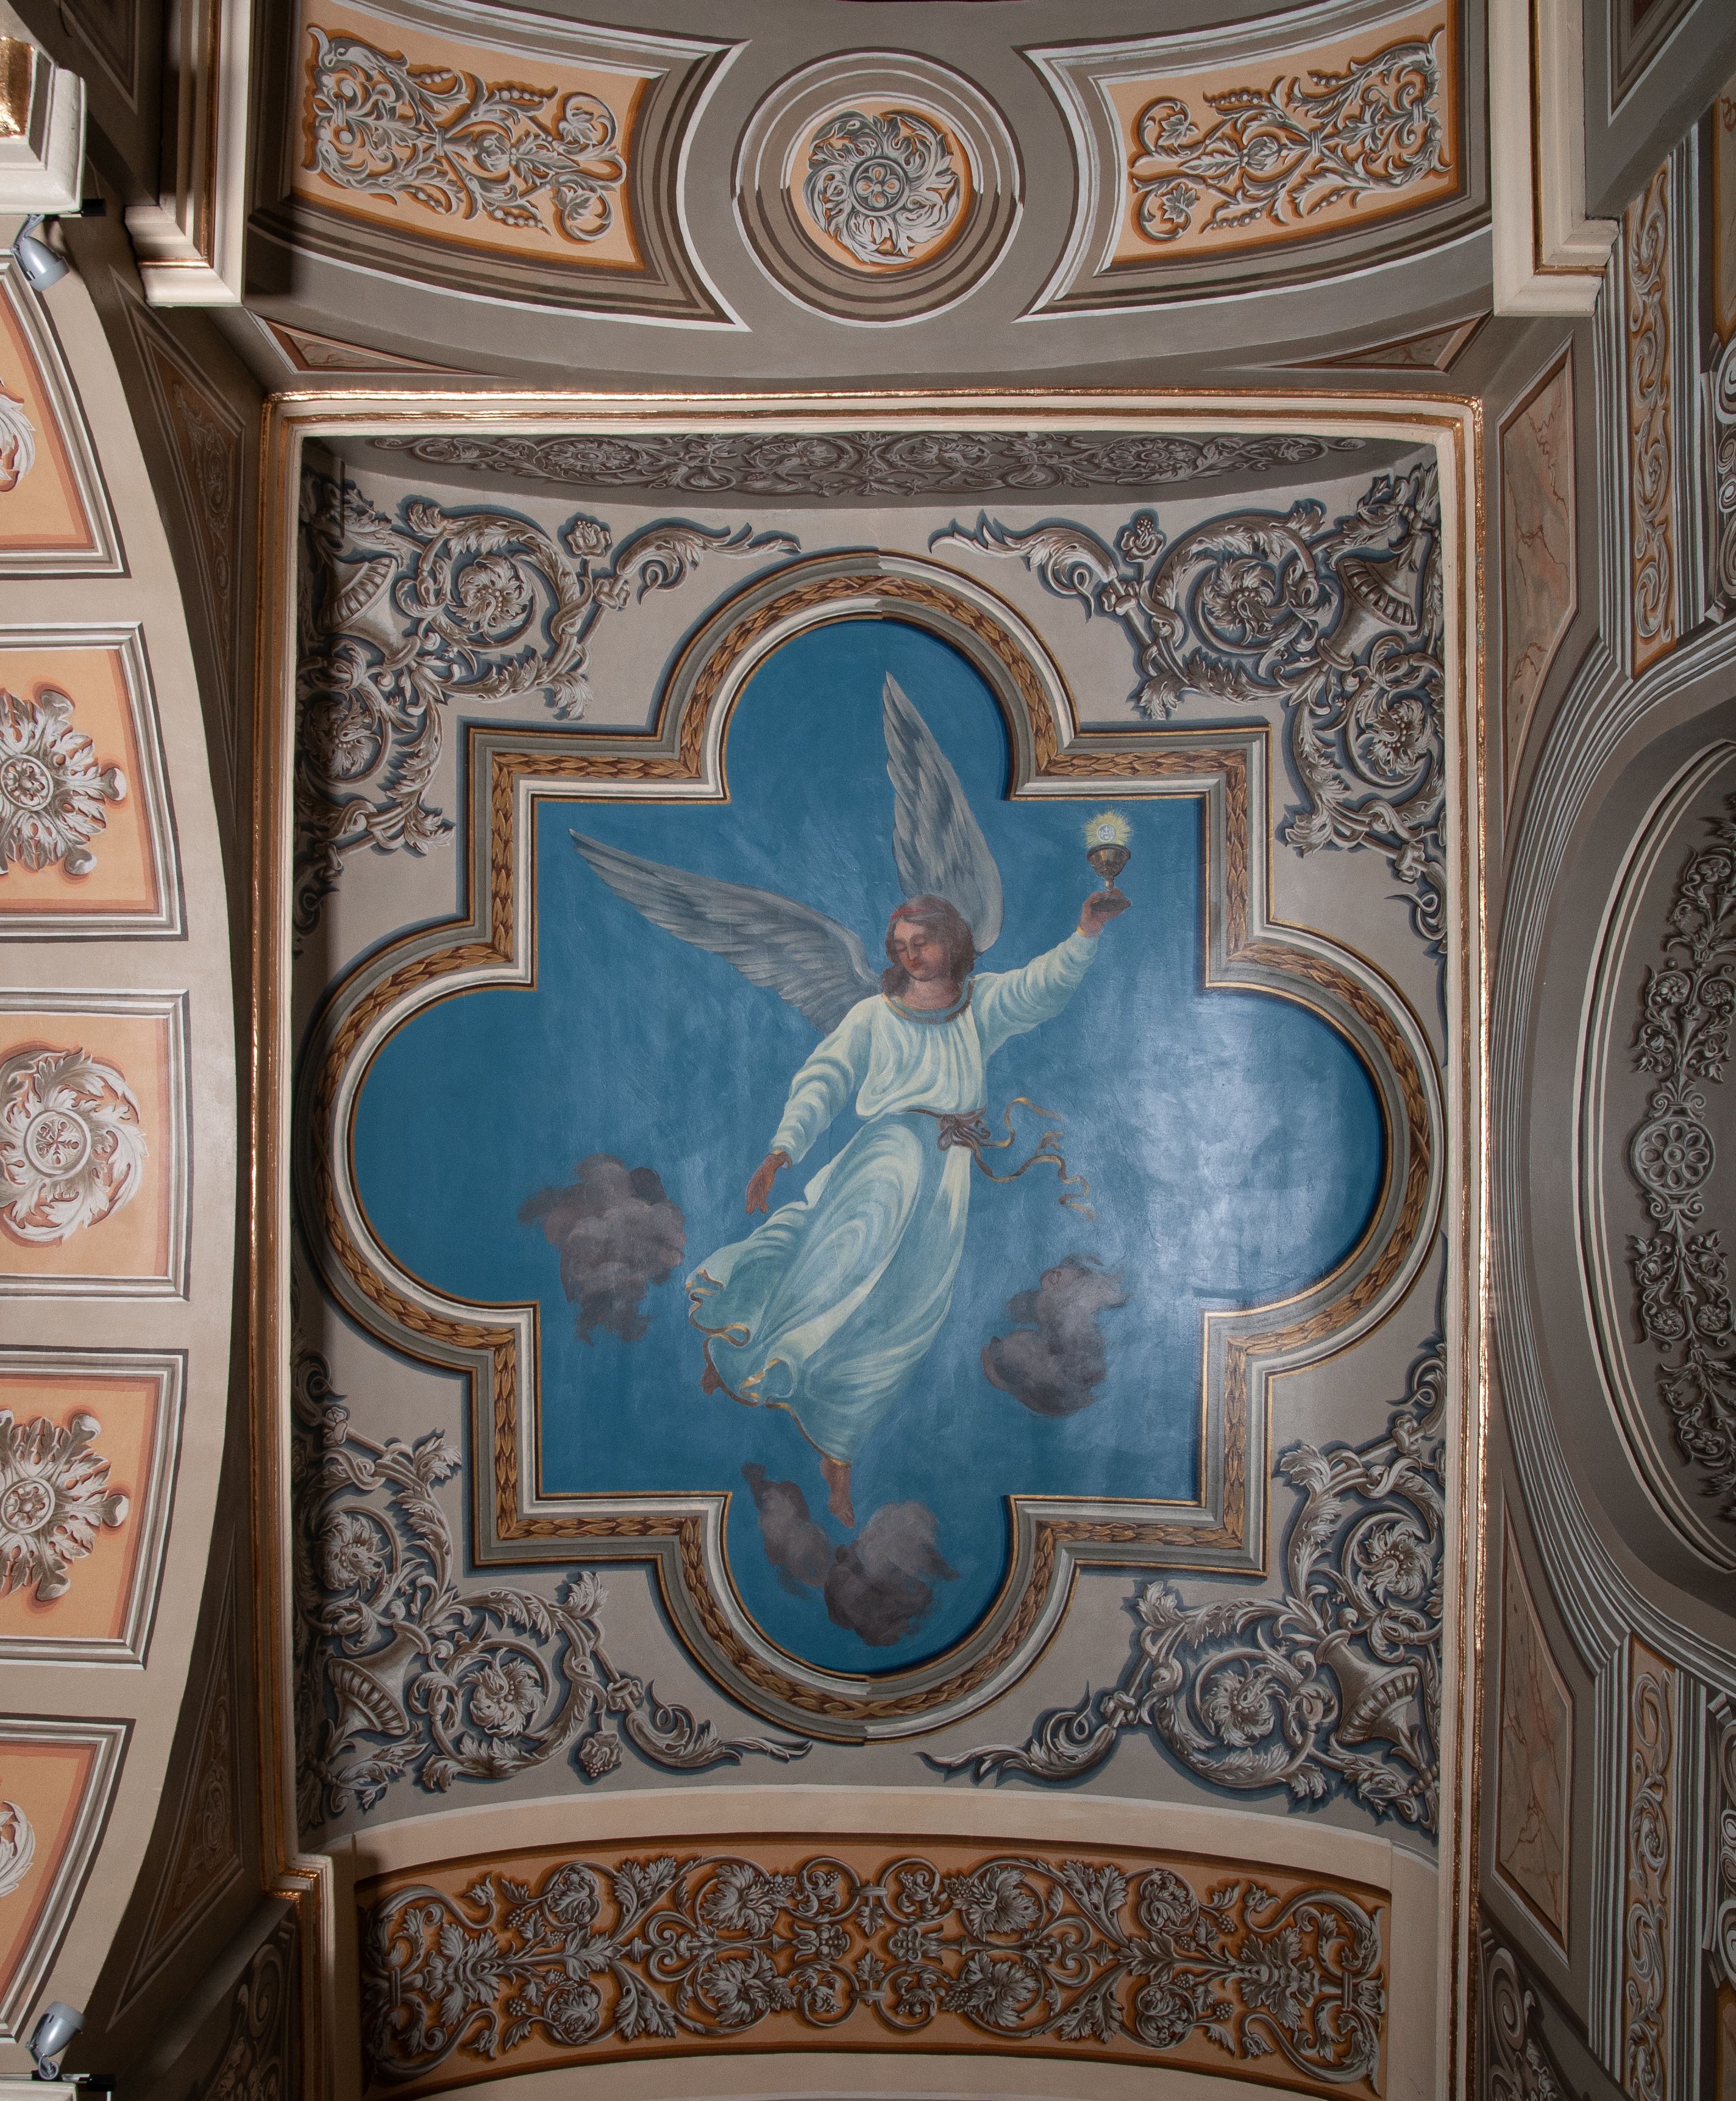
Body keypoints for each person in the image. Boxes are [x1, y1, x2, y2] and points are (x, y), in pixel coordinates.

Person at [688, 883, 1129, 1526]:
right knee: (832, 1267)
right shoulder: (875, 1015)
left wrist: (1086, 931)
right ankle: (741, 1351)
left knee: (906, 1316)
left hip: (947, 1178)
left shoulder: (980, 1006)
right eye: (900, 947)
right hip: (889, 1155)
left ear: (952, 942)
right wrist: (781, 1151)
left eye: (922, 942)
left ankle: (837, 1447)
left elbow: (1041, 988)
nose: (911, 955)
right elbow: (825, 1076)